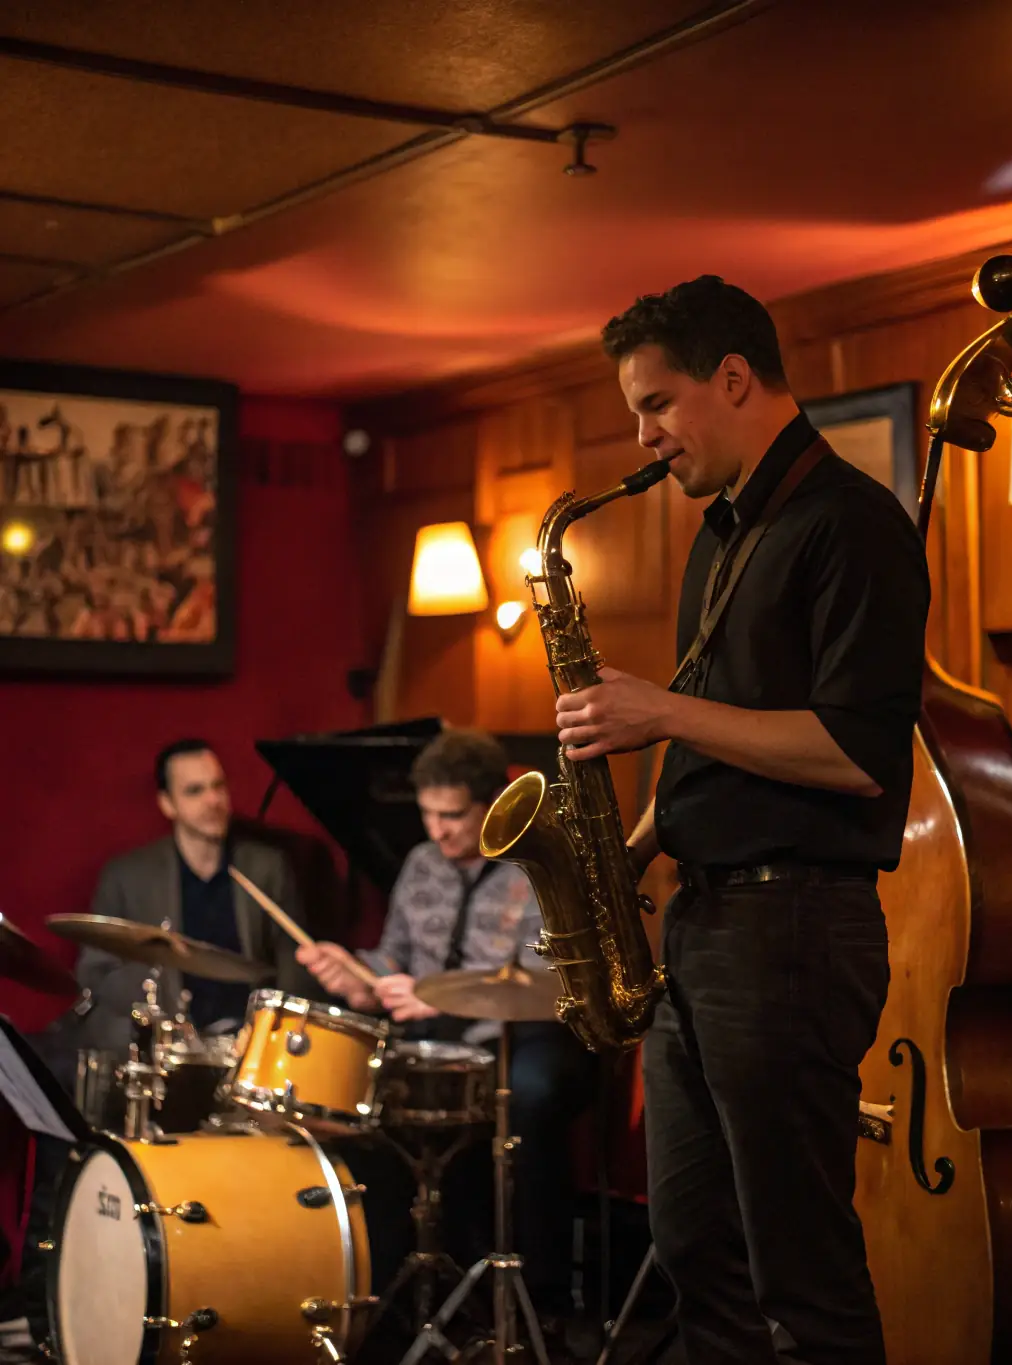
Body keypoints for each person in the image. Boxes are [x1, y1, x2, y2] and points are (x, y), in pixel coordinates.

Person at [552, 276, 930, 1364]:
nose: (644, 436)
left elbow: (858, 756)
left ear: (731, 378)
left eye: (656, 404)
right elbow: (722, 729)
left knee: (801, 1275)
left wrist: (659, 712)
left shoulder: (850, 522)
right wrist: (627, 851)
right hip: (708, 926)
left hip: (793, 929)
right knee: (692, 1249)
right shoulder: (723, 532)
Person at [299, 728, 597, 1332]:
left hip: (526, 1032)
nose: (437, 831)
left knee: (529, 1095)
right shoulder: (420, 863)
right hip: (439, 1029)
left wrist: (430, 994)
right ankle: (403, 1281)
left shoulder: (537, 863)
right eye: (428, 815)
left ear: (491, 805)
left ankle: (541, 1293)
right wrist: (358, 974)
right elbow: (396, 956)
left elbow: (544, 980)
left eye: (452, 816)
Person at [76, 737, 316, 1054]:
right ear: (167, 803)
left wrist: (269, 1039)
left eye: (218, 786)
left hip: (250, 1050)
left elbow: (296, 972)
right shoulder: (127, 877)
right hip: (168, 1052)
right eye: (195, 791)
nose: (213, 800)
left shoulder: (267, 868)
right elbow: (96, 975)